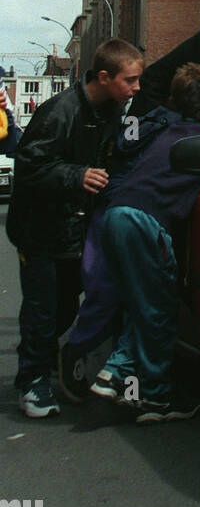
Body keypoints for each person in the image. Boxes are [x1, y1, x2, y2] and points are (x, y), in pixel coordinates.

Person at [6, 39, 143, 418]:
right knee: (42, 309)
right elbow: (29, 167)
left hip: (74, 232)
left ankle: (51, 367)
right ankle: (31, 382)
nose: (136, 88)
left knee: (66, 306)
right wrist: (76, 175)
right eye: (130, 80)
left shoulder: (112, 110)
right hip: (39, 233)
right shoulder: (59, 112)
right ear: (104, 77)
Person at [91, 66, 200, 423]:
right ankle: (152, 395)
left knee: (142, 304)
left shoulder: (170, 131)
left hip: (116, 215)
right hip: (143, 222)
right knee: (158, 310)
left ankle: (116, 377)